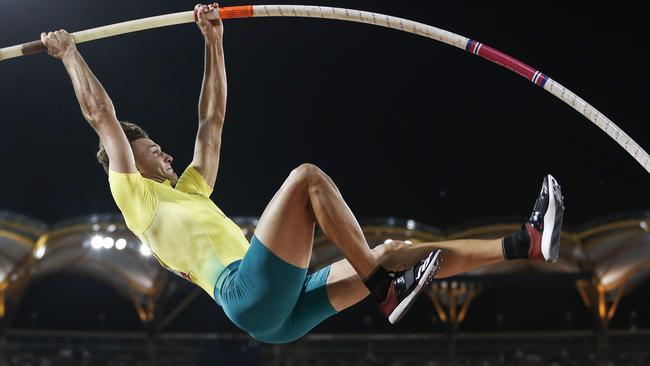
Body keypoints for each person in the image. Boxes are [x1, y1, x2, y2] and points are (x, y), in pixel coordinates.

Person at [41, 3, 564, 343]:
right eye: (155, 151)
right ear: (130, 162)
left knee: (387, 252)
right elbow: (101, 117)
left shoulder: (190, 192)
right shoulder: (136, 195)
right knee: (308, 179)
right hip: (246, 293)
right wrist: (69, 55)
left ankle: (524, 244)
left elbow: (212, 119)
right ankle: (384, 289)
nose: (168, 157)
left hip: (274, 309)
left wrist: (214, 40)